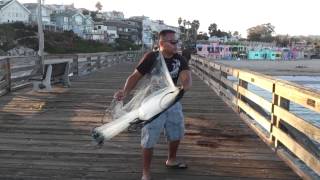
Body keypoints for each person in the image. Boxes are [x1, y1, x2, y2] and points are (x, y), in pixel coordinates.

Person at [114, 29, 192, 180]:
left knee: (176, 131)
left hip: (172, 101)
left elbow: (186, 77)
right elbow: (135, 76)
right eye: (172, 42)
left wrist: (185, 84)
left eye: (177, 41)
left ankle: (171, 159)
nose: (176, 44)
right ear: (161, 43)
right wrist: (125, 92)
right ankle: (146, 172)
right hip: (152, 103)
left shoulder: (179, 59)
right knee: (149, 136)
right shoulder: (151, 57)